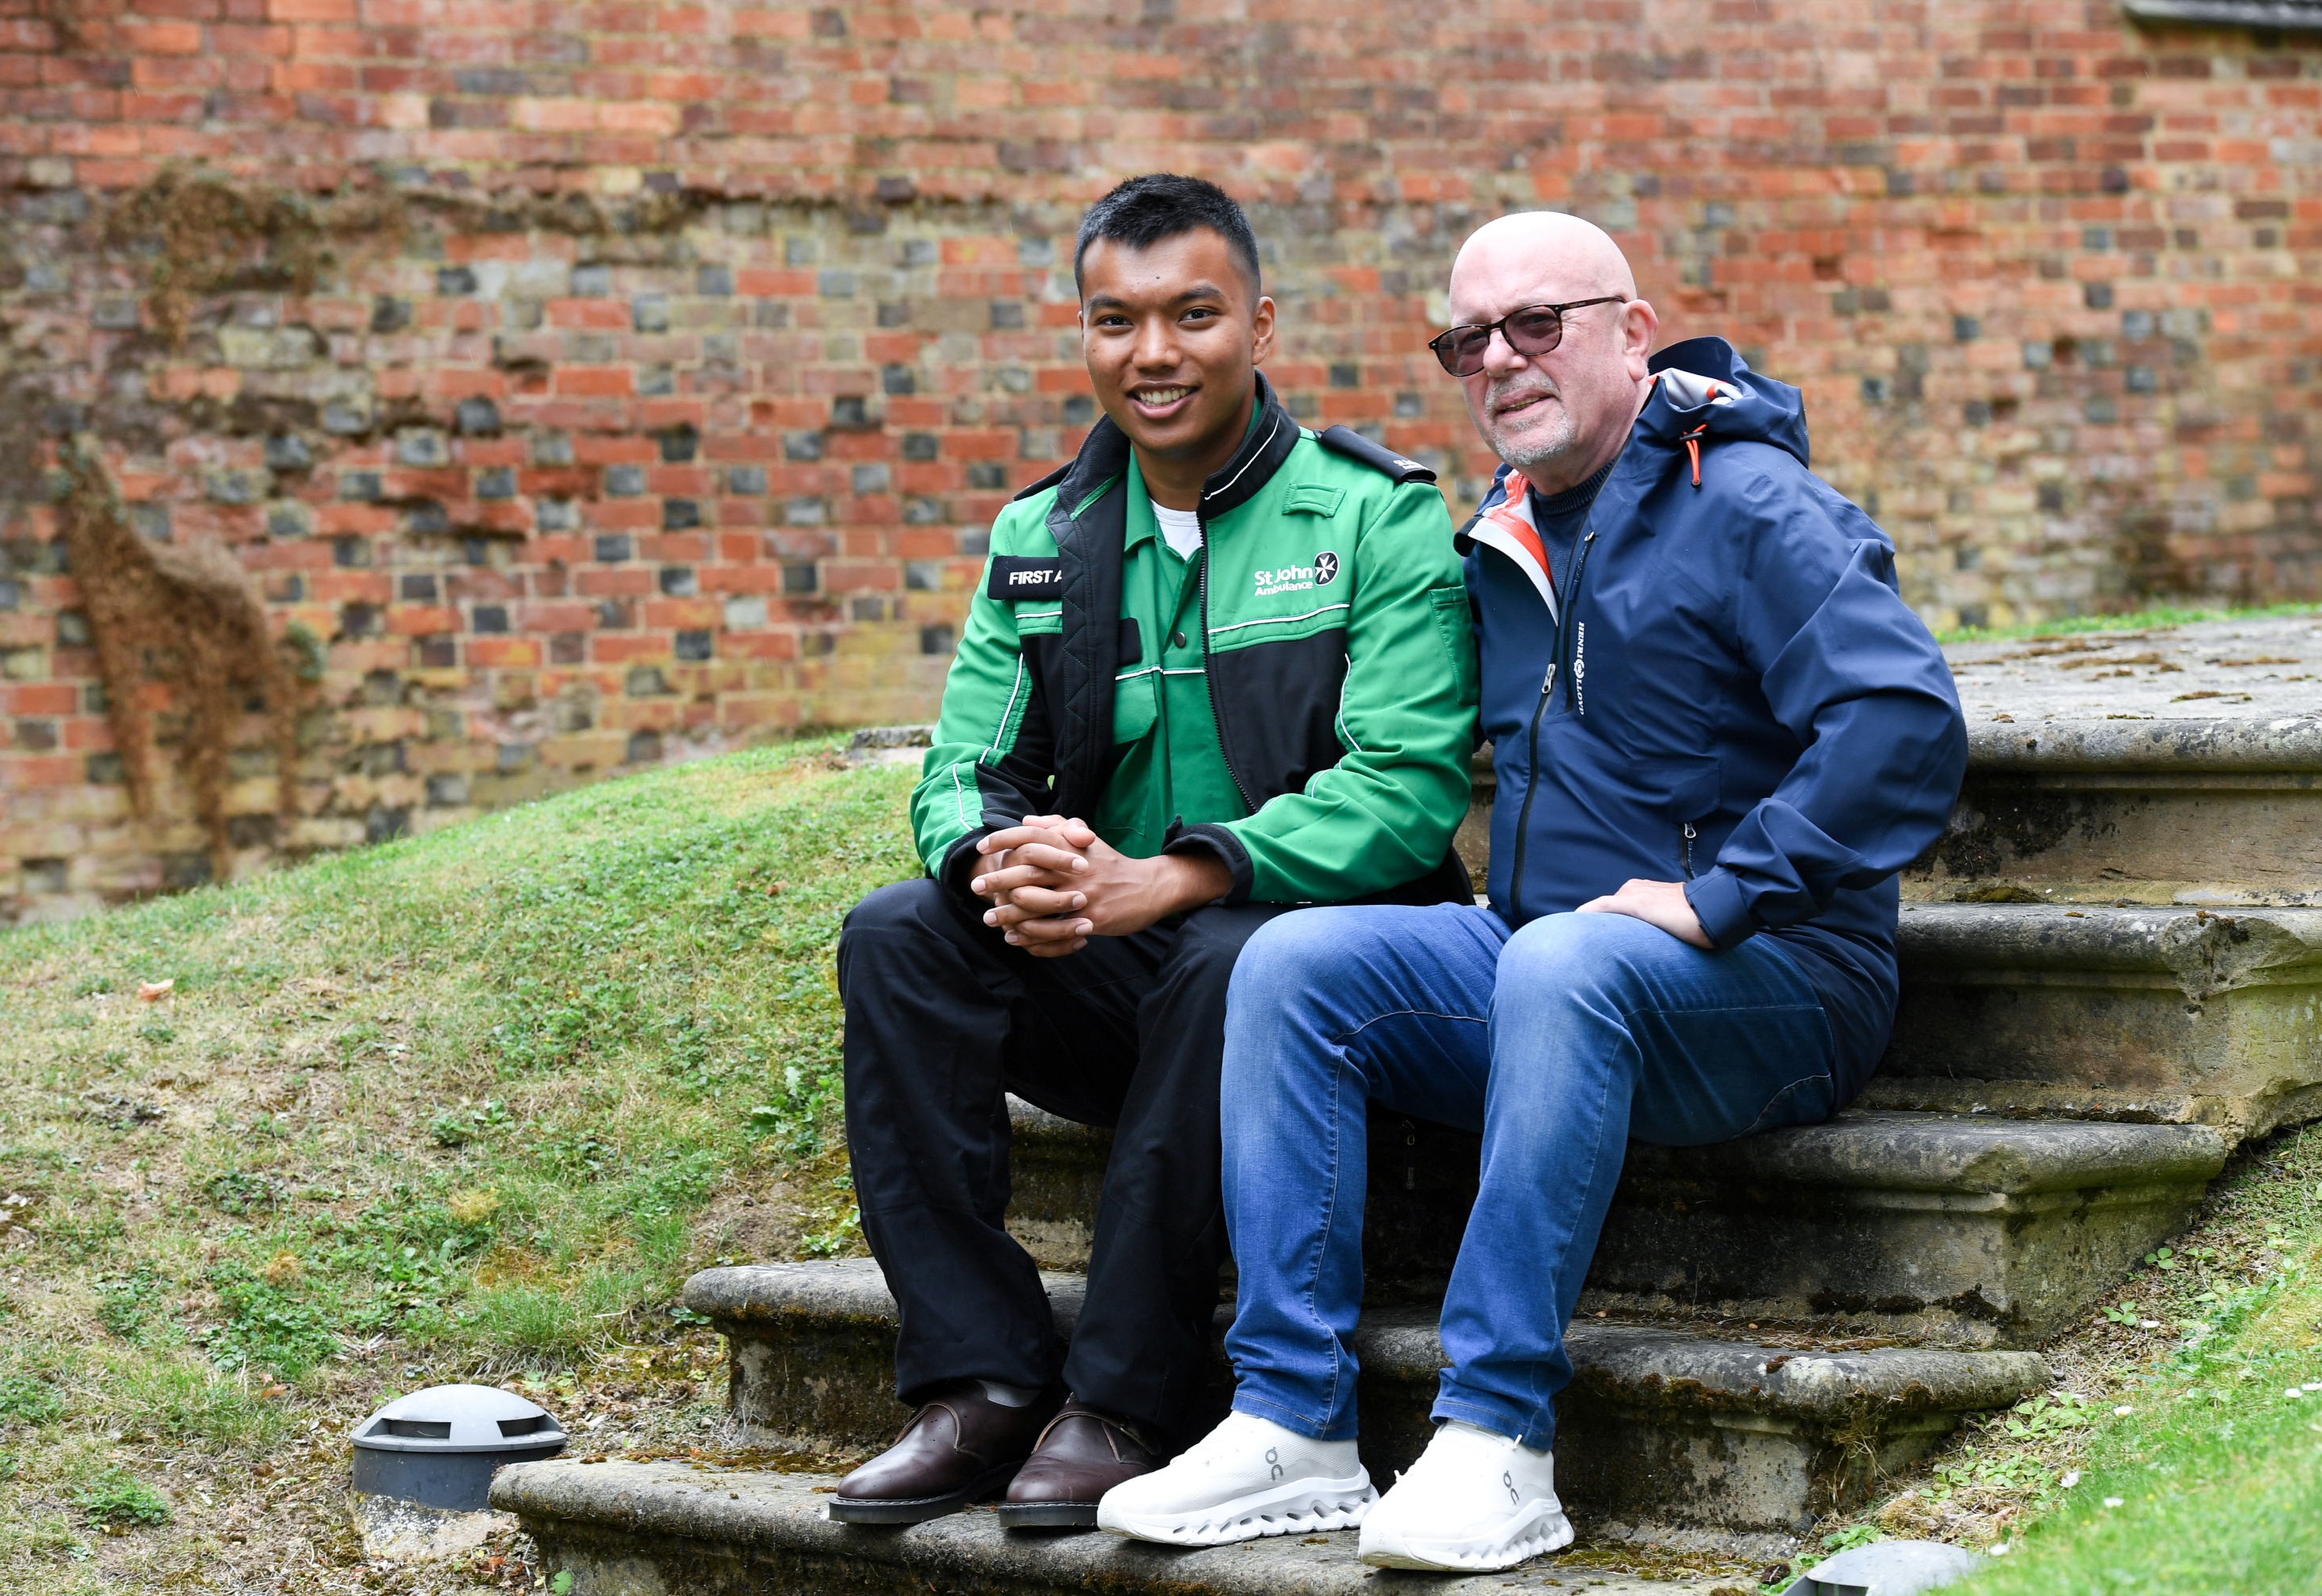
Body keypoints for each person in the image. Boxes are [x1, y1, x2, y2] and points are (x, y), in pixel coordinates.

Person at [1098, 211, 1968, 1570]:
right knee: (1291, 963)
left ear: (1635, 333)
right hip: (1551, 965)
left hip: (1780, 982)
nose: (1500, 359)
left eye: (1537, 325)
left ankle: (1497, 1436)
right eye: (1469, 341)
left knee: (1565, 958)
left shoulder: (1749, 505)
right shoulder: (1506, 534)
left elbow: (1904, 721)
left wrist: (1727, 891)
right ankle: (1293, 1422)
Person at [827, 173, 1480, 1531]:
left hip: (1317, 981)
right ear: (1085, 334)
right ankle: (980, 1386)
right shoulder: (1042, 538)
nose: (1153, 354)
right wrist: (1000, 861)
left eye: (1193, 314)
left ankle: (1126, 1401)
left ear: (1261, 325)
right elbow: (966, 768)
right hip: (1122, 971)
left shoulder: (1375, 515)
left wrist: (1177, 876)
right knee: (897, 936)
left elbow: (1408, 790)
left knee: (1230, 957)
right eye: (1114, 321)